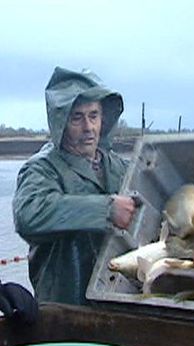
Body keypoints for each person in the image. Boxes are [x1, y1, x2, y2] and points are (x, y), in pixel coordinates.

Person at [13, 67, 137, 305]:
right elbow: (29, 214)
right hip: (65, 303)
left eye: (94, 115)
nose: (88, 127)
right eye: (77, 117)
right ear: (61, 122)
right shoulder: (42, 168)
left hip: (118, 299)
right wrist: (106, 209)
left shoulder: (119, 166)